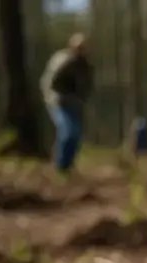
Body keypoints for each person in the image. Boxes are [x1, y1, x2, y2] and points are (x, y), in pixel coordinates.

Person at [40, 33, 93, 174]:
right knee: (67, 132)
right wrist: (58, 98)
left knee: (75, 135)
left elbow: (87, 85)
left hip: (75, 104)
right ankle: (59, 166)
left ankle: (68, 166)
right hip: (58, 102)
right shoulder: (63, 61)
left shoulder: (85, 65)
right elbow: (51, 83)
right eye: (79, 47)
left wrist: (82, 99)